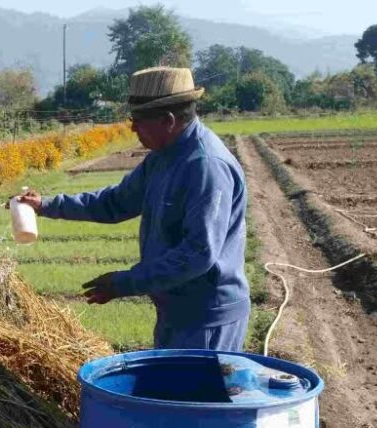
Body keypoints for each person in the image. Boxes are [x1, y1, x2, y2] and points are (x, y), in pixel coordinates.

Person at [16, 67, 249, 352]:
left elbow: (198, 254)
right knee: (169, 394)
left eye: (138, 120)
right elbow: (114, 203)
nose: (132, 128)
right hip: (175, 310)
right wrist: (46, 205)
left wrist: (124, 283)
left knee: (194, 395)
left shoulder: (205, 167)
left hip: (206, 318)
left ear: (168, 120)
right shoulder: (163, 158)